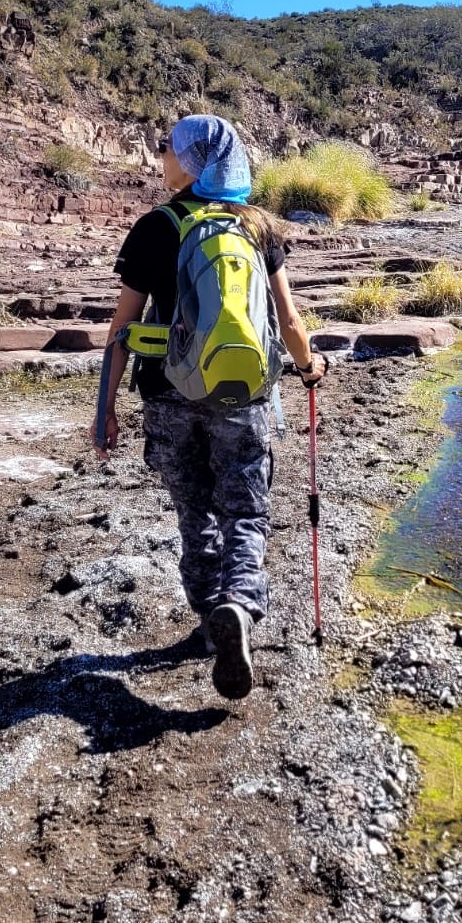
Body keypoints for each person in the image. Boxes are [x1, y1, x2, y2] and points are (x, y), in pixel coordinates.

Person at [91, 114, 326, 702]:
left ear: (193, 163)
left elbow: (121, 330)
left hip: (167, 394)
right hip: (243, 395)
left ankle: (207, 622)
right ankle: (240, 605)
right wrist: (309, 367)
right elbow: (288, 319)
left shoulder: (156, 226)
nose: (163, 160)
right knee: (245, 512)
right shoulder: (257, 226)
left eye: (170, 151)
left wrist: (105, 409)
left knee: (194, 515)